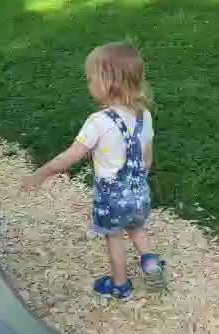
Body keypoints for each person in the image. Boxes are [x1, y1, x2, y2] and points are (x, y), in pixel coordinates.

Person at [23, 43, 165, 299]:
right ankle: (152, 265)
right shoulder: (144, 116)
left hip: (112, 199)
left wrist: (42, 173)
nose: (88, 83)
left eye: (90, 78)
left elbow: (72, 155)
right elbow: (147, 158)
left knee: (114, 237)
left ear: (107, 82)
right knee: (136, 229)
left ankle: (120, 285)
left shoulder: (98, 122)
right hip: (139, 192)